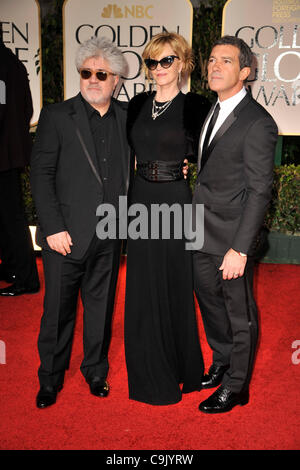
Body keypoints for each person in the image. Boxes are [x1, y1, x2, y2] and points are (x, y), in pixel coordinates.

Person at [30, 36, 129, 408]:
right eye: (86, 72)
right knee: (57, 311)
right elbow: (41, 174)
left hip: (109, 233)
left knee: (101, 309)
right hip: (65, 236)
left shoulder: (126, 118)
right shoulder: (57, 116)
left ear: (116, 79)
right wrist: (53, 227)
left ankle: (95, 370)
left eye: (101, 73)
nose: (92, 79)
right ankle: (50, 379)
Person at [193, 36, 278, 413]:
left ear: (245, 72)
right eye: (211, 60)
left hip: (231, 240)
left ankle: (237, 386)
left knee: (238, 314)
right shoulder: (212, 110)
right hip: (199, 230)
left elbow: (260, 192)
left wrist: (240, 249)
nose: (214, 66)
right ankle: (223, 361)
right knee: (209, 303)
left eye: (225, 61)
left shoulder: (258, 123)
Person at [124, 32, 210, 405]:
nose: (158, 69)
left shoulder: (197, 107)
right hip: (140, 201)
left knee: (175, 283)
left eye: (166, 61)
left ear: (183, 64)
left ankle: (181, 367)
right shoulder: (137, 103)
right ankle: (147, 371)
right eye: (152, 62)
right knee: (142, 286)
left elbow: (213, 156)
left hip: (176, 199)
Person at [0, 31, 40, 295]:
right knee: (8, 217)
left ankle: (26, 278)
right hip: (10, 153)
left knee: (11, 218)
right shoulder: (12, 61)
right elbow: (27, 108)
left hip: (3, 155)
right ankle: (14, 267)